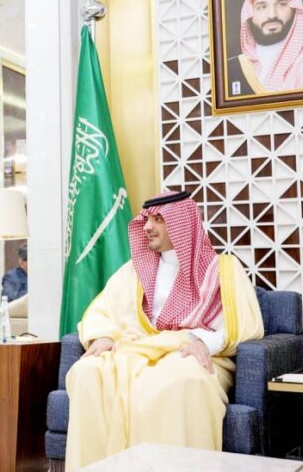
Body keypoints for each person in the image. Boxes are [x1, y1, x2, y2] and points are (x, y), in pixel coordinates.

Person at [64, 192, 264, 469]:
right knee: (87, 371)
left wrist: (203, 342)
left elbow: (241, 323)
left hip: (190, 351)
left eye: (159, 219)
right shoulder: (135, 270)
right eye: (147, 219)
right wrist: (103, 336)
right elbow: (104, 308)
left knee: (182, 380)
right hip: (137, 350)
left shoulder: (222, 269)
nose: (147, 227)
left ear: (182, 223)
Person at [226, 0, 303, 96]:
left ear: (294, 8)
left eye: (282, 4)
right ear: (249, 13)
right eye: (261, 7)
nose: (272, 15)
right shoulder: (230, 68)